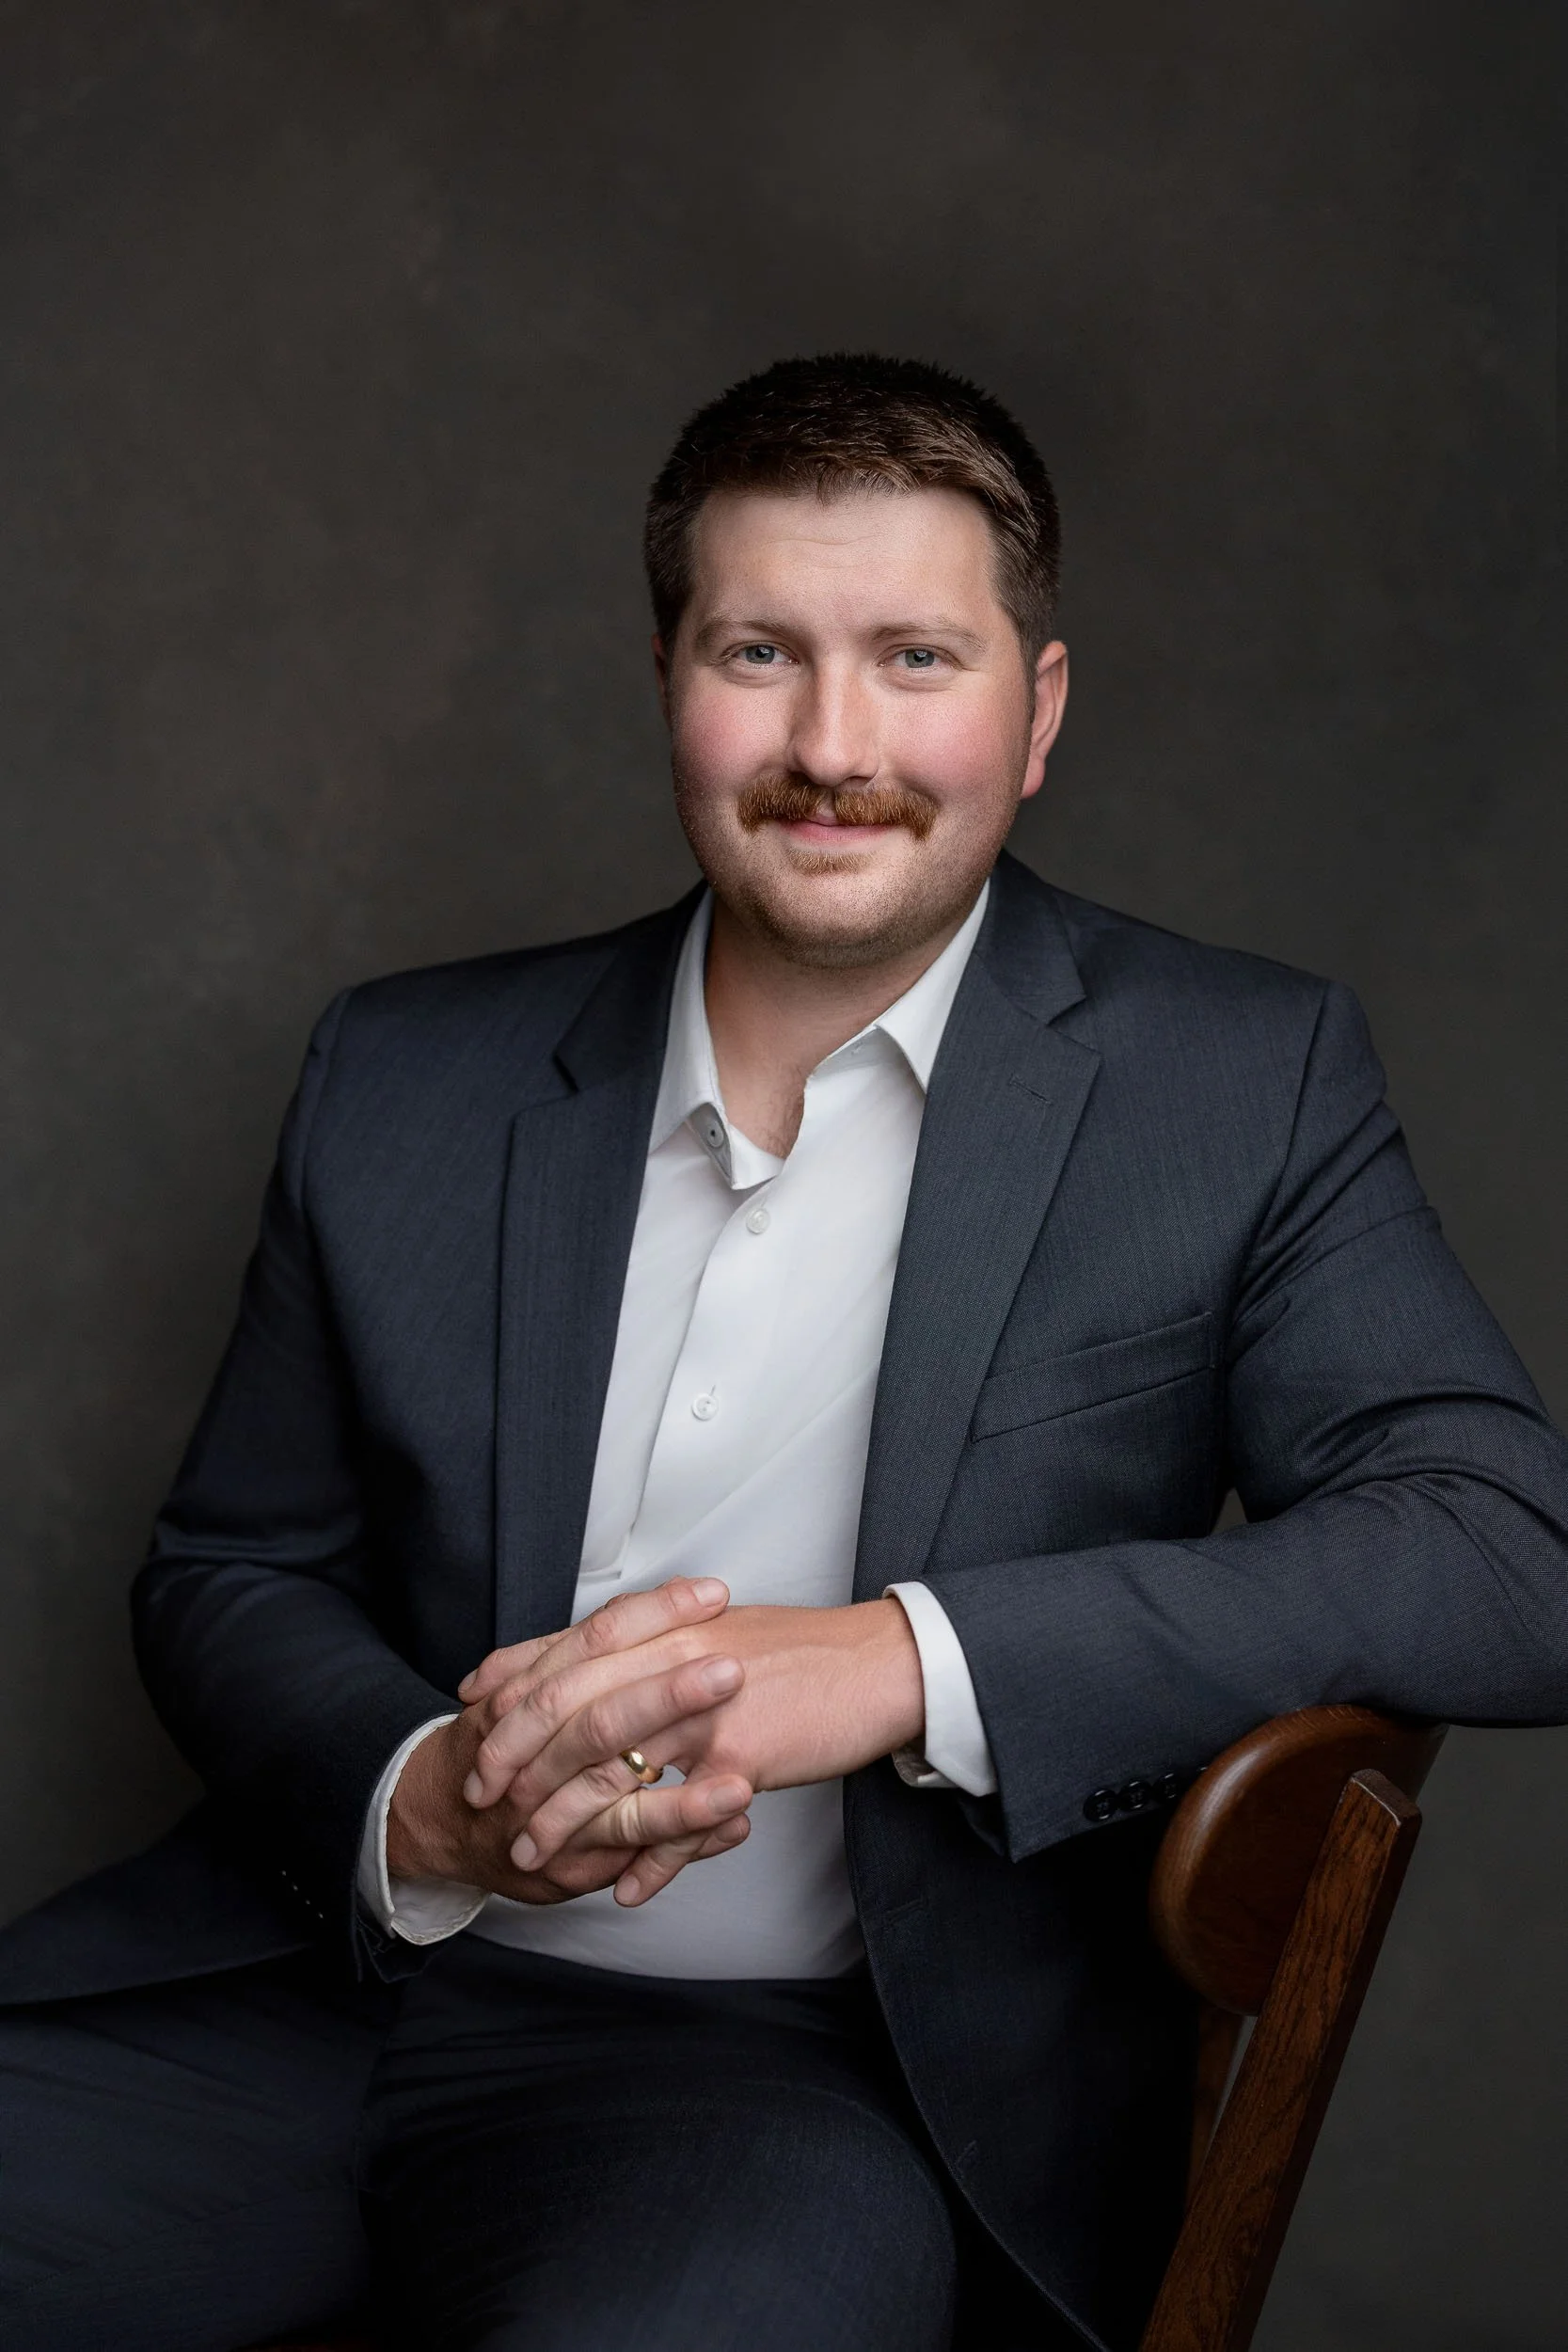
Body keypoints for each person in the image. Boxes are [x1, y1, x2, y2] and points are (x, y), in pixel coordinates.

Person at [2, 354, 1566, 2352]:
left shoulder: (1234, 1084)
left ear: (1038, 708)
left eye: (915, 654)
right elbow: (229, 1569)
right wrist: (422, 1799)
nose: (834, 742)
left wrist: (903, 1656)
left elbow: (1509, 1551)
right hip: (301, 1985)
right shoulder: (400, 1071)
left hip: (790, 2088)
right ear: (668, 673)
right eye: (760, 649)